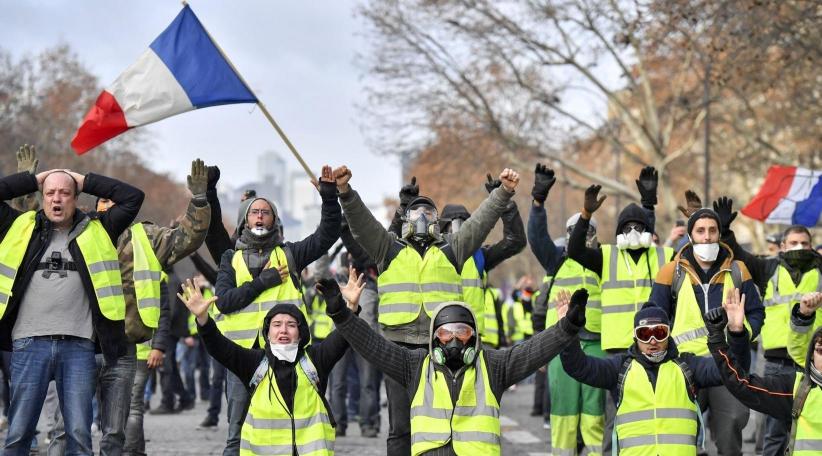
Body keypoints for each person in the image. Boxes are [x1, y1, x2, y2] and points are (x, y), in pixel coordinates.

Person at [333, 165, 519, 455]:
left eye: (429, 214)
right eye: (416, 214)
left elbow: (480, 222)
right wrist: (345, 192)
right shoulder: (387, 248)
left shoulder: (452, 248)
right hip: (397, 349)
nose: (422, 219)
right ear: (406, 219)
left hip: (440, 349)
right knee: (400, 428)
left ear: (437, 221)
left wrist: (503, 192)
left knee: (441, 423)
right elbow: (362, 223)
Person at [321, 264, 590, 455]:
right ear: (434, 338)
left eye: (461, 332)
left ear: (473, 336)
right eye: (445, 333)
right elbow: (372, 346)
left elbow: (533, 351)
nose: (453, 340)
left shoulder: (493, 366)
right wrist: (341, 313)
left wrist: (567, 326)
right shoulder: (414, 365)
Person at [0, 149, 144, 455]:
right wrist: (31, 179)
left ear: (75, 198)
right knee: (18, 433)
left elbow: (133, 197)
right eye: (50, 192)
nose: (56, 199)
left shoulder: (99, 227)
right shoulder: (19, 226)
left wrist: (83, 179)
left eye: (65, 193)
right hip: (28, 343)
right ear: (41, 196)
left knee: (79, 435)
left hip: (78, 346)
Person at [214, 165, 341, 455]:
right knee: (237, 433)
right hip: (243, 356)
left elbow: (327, 234)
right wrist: (264, 281)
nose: (260, 216)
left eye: (265, 212)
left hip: (287, 357)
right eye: (254, 212)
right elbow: (224, 302)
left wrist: (329, 197)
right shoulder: (230, 258)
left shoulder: (291, 254)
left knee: (291, 429)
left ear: (274, 220)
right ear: (245, 220)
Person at [180, 268, 362, 456]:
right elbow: (219, 347)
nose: (283, 330)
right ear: (267, 333)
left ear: (301, 334)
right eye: (276, 325)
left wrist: (351, 308)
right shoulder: (254, 363)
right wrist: (202, 318)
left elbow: (343, 336)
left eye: (291, 325)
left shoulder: (315, 360)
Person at [559, 293, 751, 456]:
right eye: (645, 334)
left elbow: (733, 371)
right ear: (635, 337)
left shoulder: (687, 365)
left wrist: (736, 332)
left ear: (668, 334)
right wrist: (569, 330)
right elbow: (578, 367)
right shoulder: (620, 368)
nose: (653, 341)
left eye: (659, 332)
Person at [648, 207, 763, 455]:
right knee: (681, 435)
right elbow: (655, 317)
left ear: (720, 234)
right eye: (700, 231)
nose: (707, 236)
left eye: (712, 230)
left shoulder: (738, 270)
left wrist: (739, 331)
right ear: (690, 236)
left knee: (732, 424)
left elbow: (756, 313)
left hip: (727, 364)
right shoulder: (671, 272)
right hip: (684, 366)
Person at [714, 197, 822, 455]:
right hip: (776, 360)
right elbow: (739, 257)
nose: (799, 247)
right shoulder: (767, 268)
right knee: (774, 429)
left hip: (813, 361)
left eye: (804, 243)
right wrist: (726, 232)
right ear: (782, 246)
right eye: (793, 243)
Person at [528, 164, 606, 456]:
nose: (583, 236)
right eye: (575, 231)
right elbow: (536, 238)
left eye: (587, 231)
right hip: (562, 347)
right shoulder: (556, 261)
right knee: (563, 416)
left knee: (594, 415)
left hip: (596, 345)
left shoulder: (604, 261)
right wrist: (538, 202)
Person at [707, 291, 822, 455]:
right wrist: (725, 335)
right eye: (821, 351)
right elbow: (742, 385)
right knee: (773, 438)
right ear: (812, 355)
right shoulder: (799, 389)